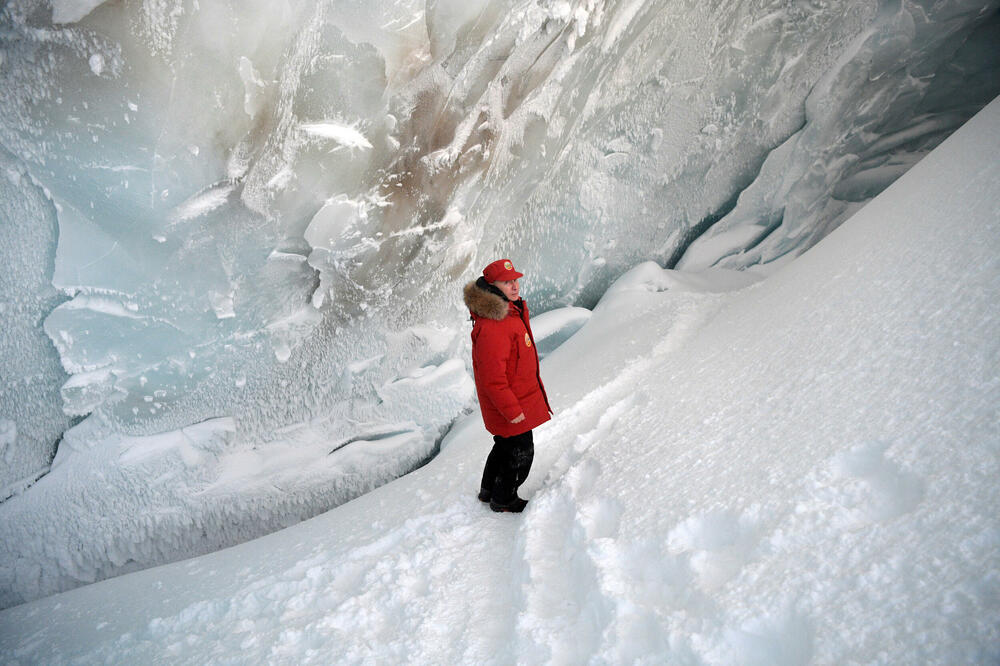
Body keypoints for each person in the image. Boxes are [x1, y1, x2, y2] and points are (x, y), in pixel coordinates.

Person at [463, 259, 552, 512]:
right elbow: (493, 378)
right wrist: (512, 411)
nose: (514, 286)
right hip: (510, 404)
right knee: (521, 452)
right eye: (506, 282)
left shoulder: (508, 312)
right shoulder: (495, 324)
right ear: (492, 286)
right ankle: (504, 499)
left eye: (515, 280)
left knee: (504, 446)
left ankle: (488, 490)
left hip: (514, 399)